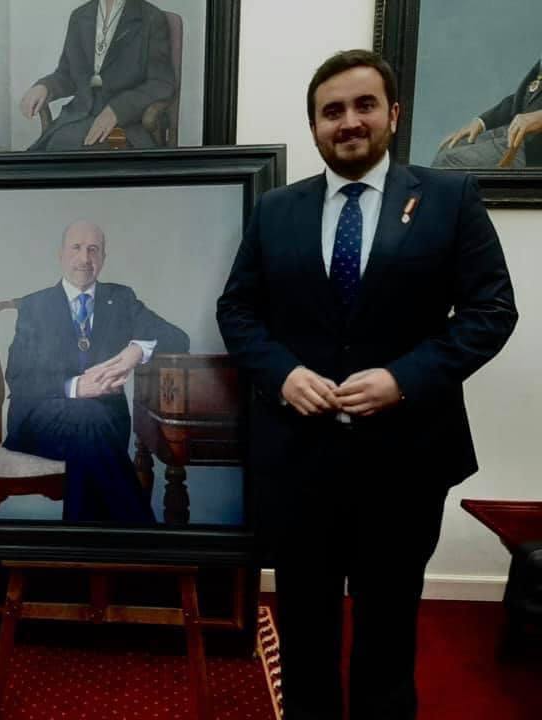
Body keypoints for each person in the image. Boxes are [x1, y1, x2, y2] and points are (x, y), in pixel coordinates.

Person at [216, 50, 517, 720]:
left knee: (387, 633)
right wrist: (283, 374)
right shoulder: (275, 211)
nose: (348, 122)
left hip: (405, 459)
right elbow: (237, 310)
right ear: (315, 127)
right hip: (298, 459)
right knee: (304, 631)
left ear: (392, 115)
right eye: (332, 112)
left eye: (363, 106)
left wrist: (403, 379)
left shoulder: (449, 199)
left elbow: (492, 311)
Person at [2, 220, 189, 522]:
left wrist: (136, 351)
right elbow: (19, 376)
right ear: (60, 254)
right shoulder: (35, 306)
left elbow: (178, 338)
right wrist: (76, 387)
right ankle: (147, 537)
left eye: (93, 249)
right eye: (76, 248)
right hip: (38, 420)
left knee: (87, 442)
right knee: (88, 416)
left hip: (104, 425)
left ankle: (76, 555)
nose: (85, 258)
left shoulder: (121, 299)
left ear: (103, 258)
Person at [19, 0, 174, 150]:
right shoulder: (79, 16)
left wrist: (117, 110)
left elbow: (161, 83)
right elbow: (68, 75)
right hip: (78, 117)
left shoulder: (151, 18)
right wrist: (45, 87)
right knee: (51, 153)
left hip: (127, 126)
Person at [433, 55, 542, 168]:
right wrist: (482, 122)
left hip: (532, 147)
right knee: (449, 146)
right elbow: (527, 94)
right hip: (515, 132)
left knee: (446, 160)